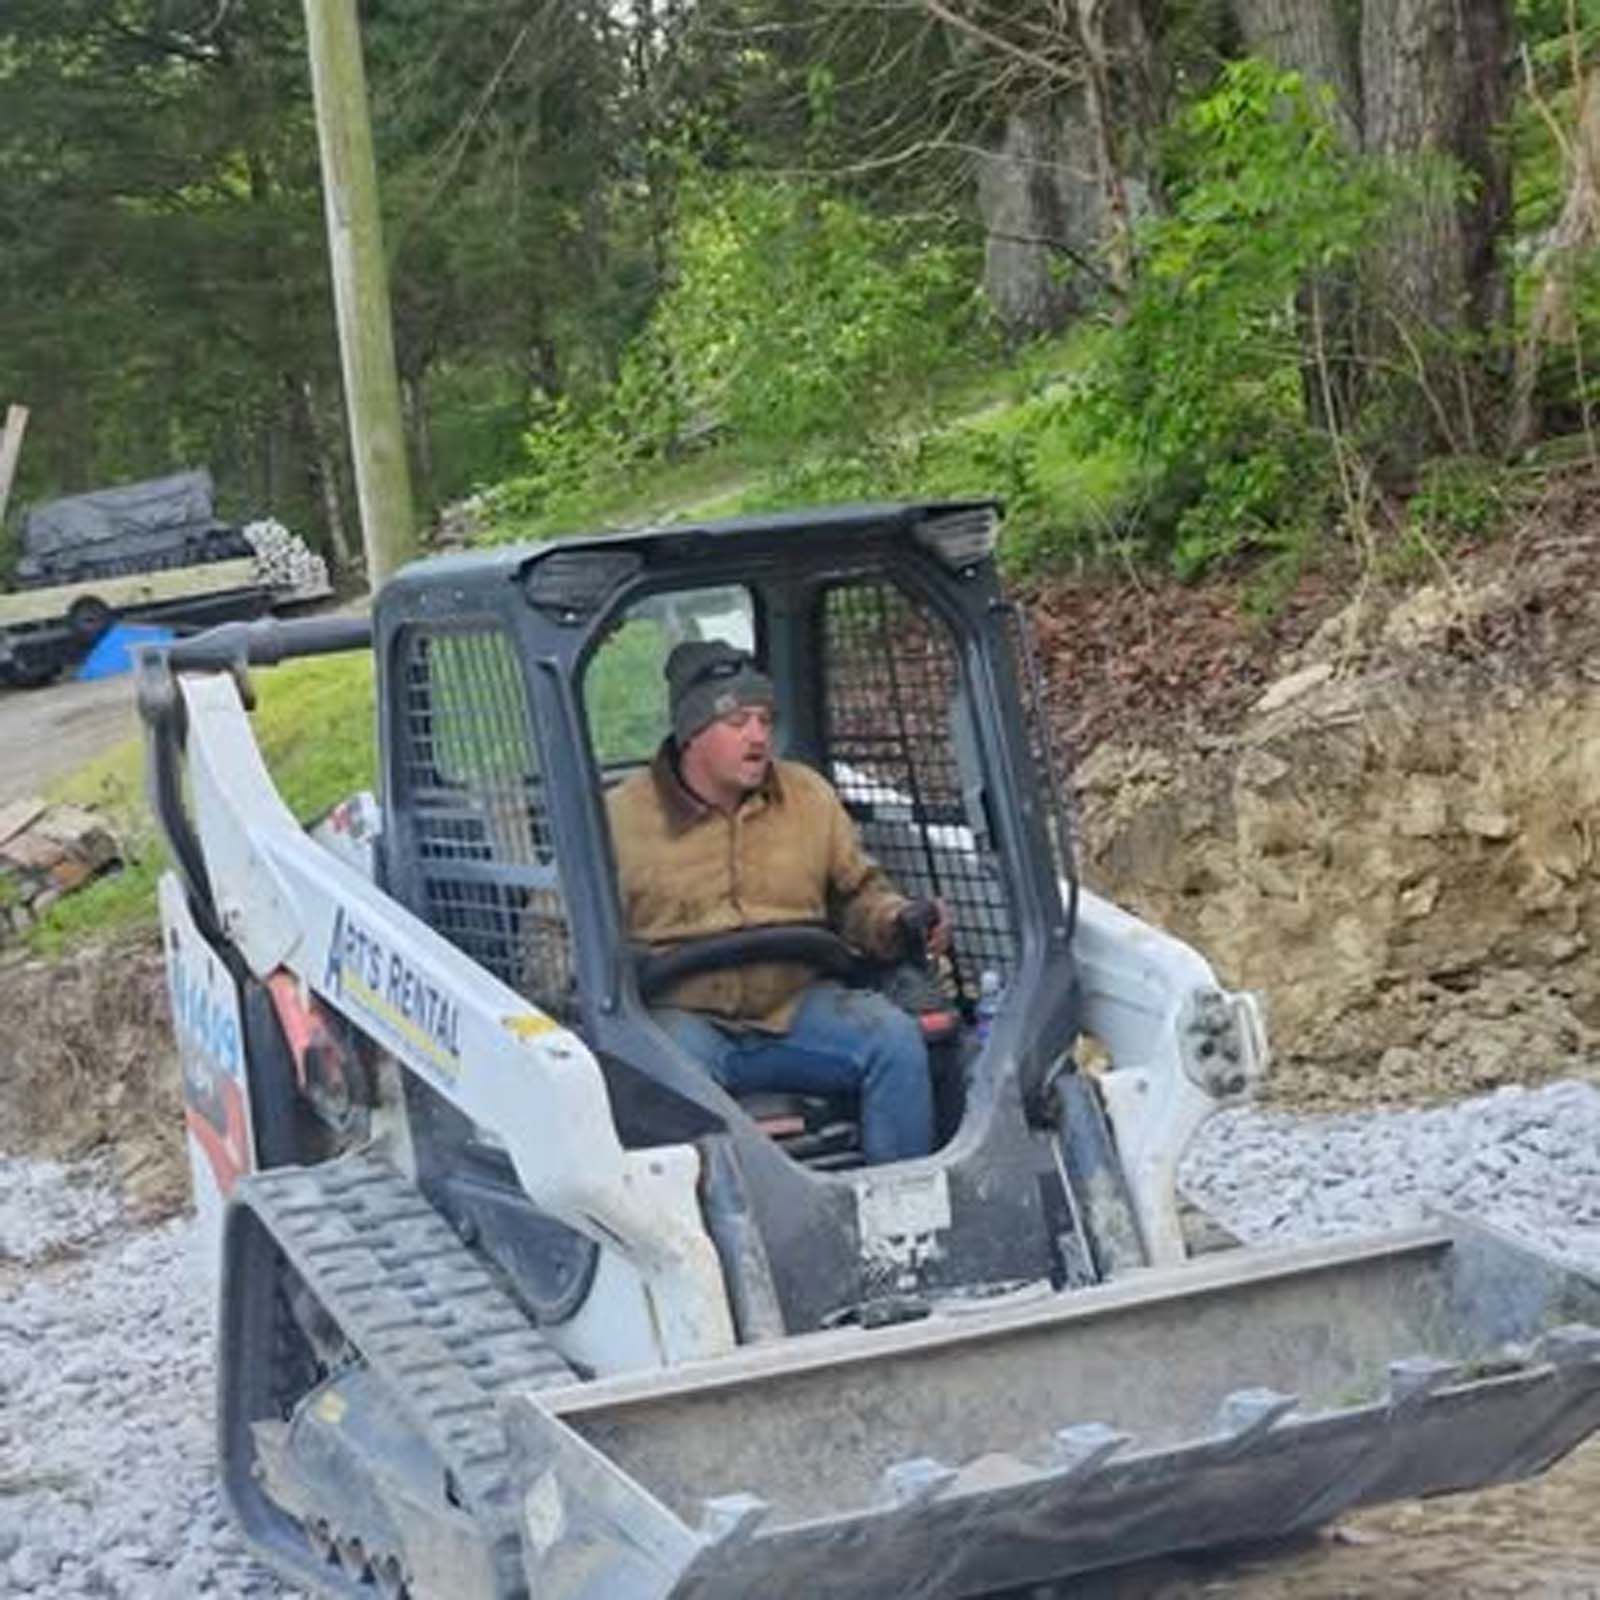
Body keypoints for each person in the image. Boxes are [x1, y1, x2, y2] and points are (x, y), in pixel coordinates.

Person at [605, 639, 949, 1164]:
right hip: (683, 1018)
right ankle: (716, 1232)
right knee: (663, 1079)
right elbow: (559, 931)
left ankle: (903, 1219)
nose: (758, 736)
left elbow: (859, 894)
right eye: (738, 720)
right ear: (693, 731)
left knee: (894, 1041)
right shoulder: (618, 818)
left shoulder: (808, 797)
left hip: (795, 1008)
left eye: (764, 719)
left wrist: (898, 920)